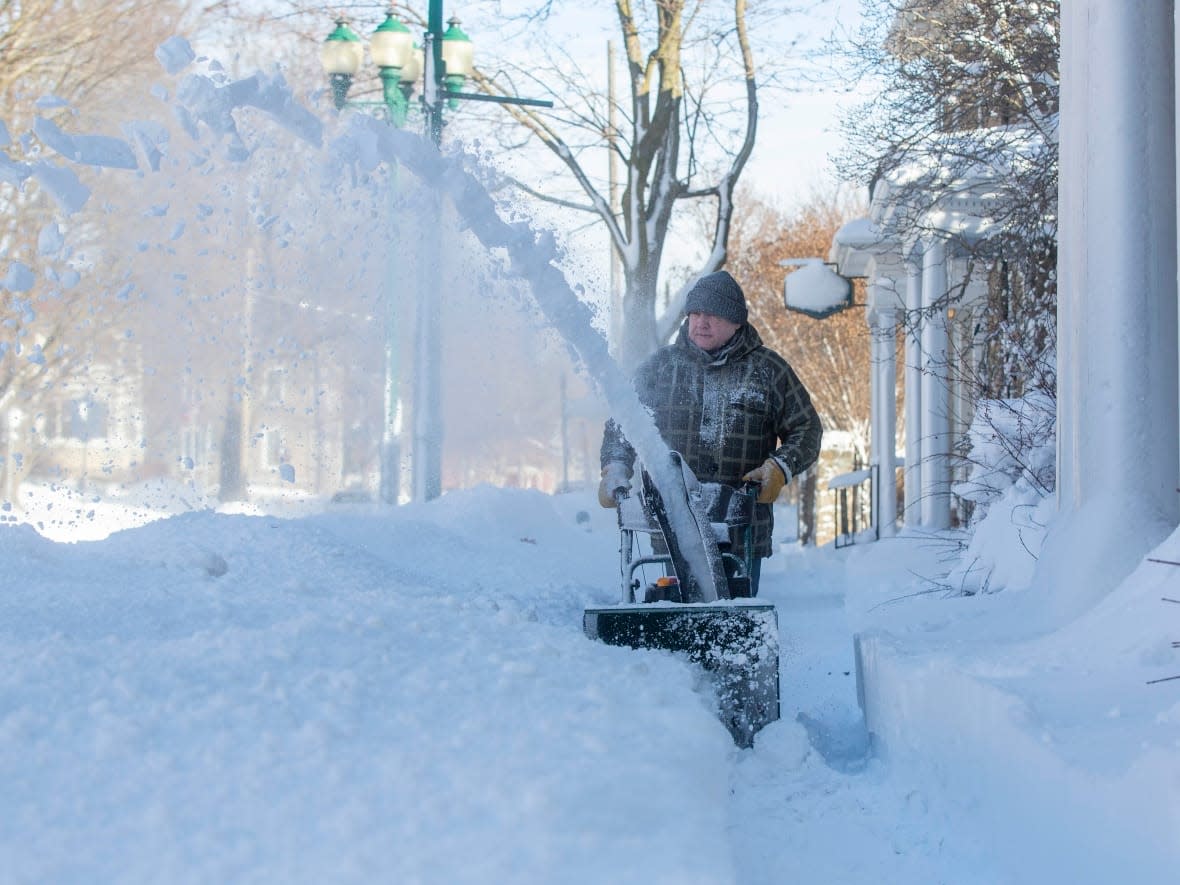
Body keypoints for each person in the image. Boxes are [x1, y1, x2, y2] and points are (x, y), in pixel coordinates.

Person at [598, 269, 822, 596]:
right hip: (672, 521)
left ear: (736, 322)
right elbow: (622, 422)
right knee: (675, 607)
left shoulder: (769, 371)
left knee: (736, 614)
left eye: (713, 315)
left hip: (742, 524)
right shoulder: (660, 368)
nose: (702, 322)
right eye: (696, 314)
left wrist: (779, 467)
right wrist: (615, 467)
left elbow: (806, 429)